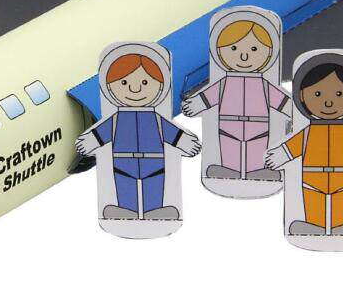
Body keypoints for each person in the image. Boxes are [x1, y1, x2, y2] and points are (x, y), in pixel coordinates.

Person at [266, 54, 343, 236]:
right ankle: (313, 225)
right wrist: (279, 156)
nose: (328, 102)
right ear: (301, 96)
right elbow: (292, 147)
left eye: (339, 94)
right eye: (317, 94)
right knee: (313, 204)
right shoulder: (307, 133)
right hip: (312, 178)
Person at [76, 48, 200, 221]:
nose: (135, 88)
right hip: (123, 162)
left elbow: (172, 133)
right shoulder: (117, 119)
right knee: (125, 188)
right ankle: (126, 211)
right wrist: (90, 141)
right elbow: (101, 133)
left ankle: (154, 210)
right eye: (124, 82)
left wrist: (185, 142)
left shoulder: (156, 119)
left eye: (145, 82)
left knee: (154, 187)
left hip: (154, 162)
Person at [183, 12, 289, 182]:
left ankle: (256, 170)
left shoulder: (264, 85)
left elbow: (282, 101)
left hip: (259, 126)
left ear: (269, 53)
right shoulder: (223, 83)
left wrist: (296, 111)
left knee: (257, 149)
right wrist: (195, 104)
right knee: (229, 148)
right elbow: (208, 97)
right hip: (228, 125)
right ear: (219, 51)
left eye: (254, 49)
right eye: (233, 48)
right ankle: (229, 169)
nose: (244, 56)